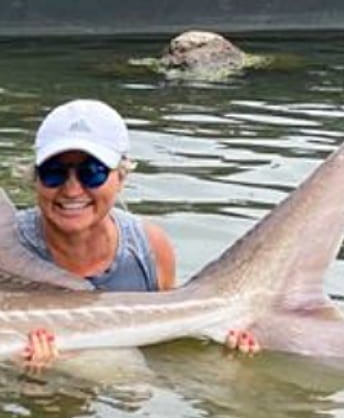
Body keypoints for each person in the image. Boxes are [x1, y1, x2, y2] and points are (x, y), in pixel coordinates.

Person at [13, 99, 257, 365]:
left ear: (121, 177)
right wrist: (24, 379)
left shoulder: (150, 246)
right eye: (54, 173)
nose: (72, 190)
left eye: (92, 173)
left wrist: (225, 352)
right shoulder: (1, 244)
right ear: (35, 179)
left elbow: (167, 344)